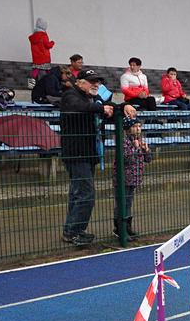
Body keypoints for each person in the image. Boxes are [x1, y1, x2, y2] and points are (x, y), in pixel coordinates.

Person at [59, 69, 137, 246]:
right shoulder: (71, 95)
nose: (96, 84)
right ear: (80, 82)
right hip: (76, 153)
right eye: (92, 81)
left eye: (98, 82)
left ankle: (71, 231)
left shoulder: (94, 99)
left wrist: (124, 106)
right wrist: (101, 108)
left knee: (77, 193)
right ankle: (75, 232)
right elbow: (78, 107)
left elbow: (109, 105)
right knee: (86, 194)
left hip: (90, 153)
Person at [114, 116, 151, 240]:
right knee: (122, 204)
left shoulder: (139, 140)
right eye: (135, 126)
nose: (138, 129)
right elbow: (126, 159)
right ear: (128, 129)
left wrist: (145, 150)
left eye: (139, 126)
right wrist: (135, 148)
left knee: (128, 204)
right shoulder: (123, 141)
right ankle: (119, 230)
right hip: (124, 178)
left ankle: (127, 228)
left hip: (134, 178)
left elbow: (148, 160)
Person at [28, 17, 54, 89]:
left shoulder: (34, 36)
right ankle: (51, 84)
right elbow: (47, 45)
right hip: (44, 56)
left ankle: (31, 85)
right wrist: (52, 43)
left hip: (36, 57)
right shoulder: (43, 35)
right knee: (48, 71)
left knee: (35, 71)